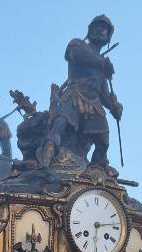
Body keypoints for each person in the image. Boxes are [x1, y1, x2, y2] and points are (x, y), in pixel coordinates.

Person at [51, 15, 122, 167]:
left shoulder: (102, 72)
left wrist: (114, 107)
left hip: (94, 102)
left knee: (103, 141)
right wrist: (102, 63)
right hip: (75, 93)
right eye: (96, 27)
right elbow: (76, 55)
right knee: (62, 121)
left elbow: (104, 94)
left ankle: (97, 169)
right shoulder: (77, 44)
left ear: (108, 36)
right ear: (89, 31)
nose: (99, 30)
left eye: (103, 29)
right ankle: (51, 145)